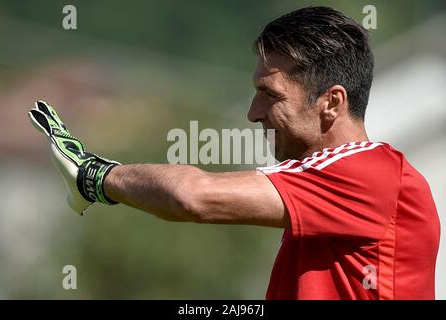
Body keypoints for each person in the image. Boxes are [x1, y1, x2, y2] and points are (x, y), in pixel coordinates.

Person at [28, 6, 440, 299]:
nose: (252, 113)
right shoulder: (333, 181)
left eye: (269, 94)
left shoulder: (368, 175)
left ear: (331, 103)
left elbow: (193, 197)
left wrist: (94, 176)